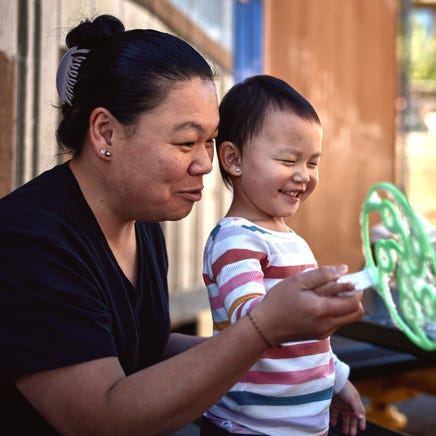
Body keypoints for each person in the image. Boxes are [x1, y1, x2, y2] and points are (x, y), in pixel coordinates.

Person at [0, 15, 364, 435]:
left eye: (209, 140)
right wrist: (264, 331)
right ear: (105, 133)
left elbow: (145, 347)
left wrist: (300, 370)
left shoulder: (142, 223)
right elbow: (98, 419)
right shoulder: (30, 241)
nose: (207, 163)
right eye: (186, 142)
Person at [202, 75, 366, 436]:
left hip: (305, 425)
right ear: (233, 159)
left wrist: (338, 380)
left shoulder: (291, 240)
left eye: (312, 162)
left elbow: (307, 340)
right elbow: (251, 322)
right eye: (288, 160)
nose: (303, 176)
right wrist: (310, 310)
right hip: (249, 426)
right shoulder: (235, 239)